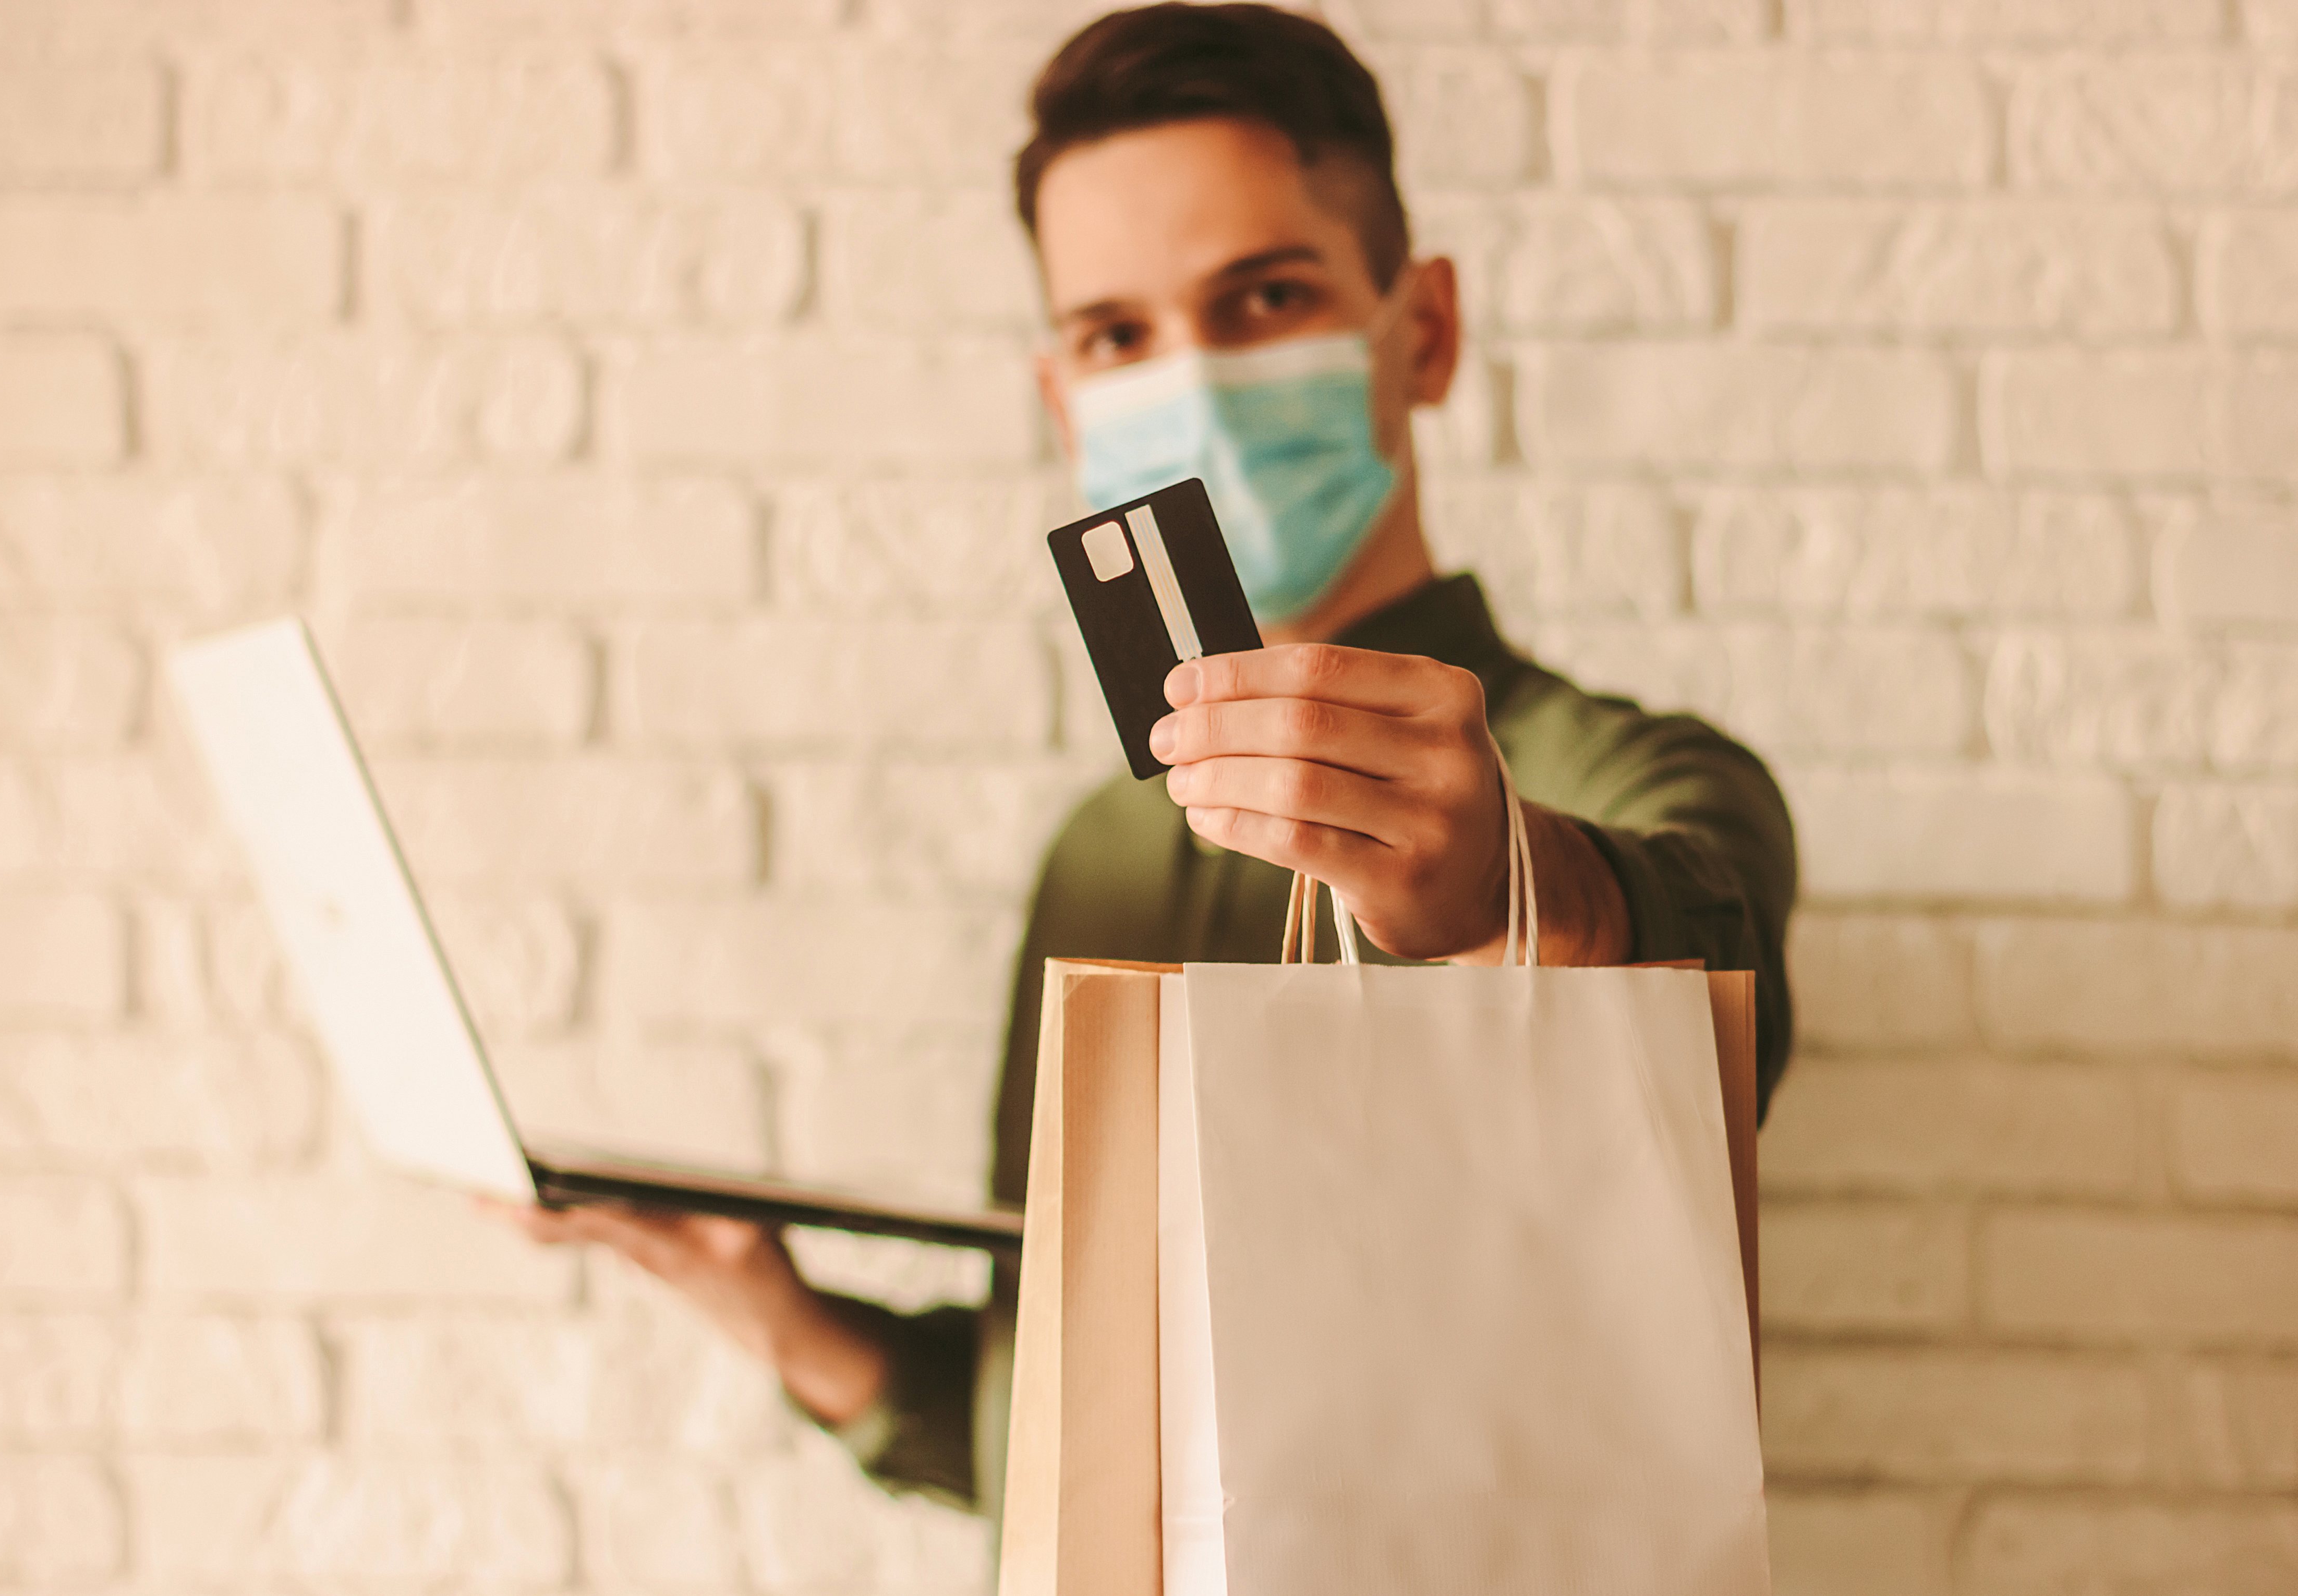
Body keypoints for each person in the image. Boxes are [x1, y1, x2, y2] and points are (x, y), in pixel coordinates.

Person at [495, 2, 1796, 1520]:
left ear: (1422, 332)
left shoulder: (1629, 774)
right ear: (1065, 403)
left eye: (1264, 298)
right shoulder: (1098, 852)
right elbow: (1074, 1445)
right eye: (1118, 334)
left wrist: (1531, 889)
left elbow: (1711, 948)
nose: (1191, 381)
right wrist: (783, 1318)